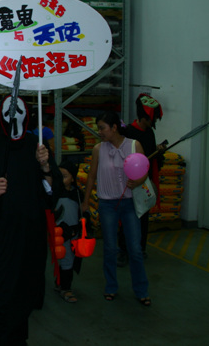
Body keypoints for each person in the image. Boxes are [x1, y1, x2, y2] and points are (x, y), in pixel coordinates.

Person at [0, 95, 55, 346]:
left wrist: (46, 167)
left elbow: (51, 192)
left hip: (31, 236)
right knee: (1, 294)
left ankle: (18, 339)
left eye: (19, 112)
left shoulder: (37, 147)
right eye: (9, 113)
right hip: (3, 236)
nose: (13, 117)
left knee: (26, 292)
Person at [82, 111, 151, 306]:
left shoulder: (134, 145)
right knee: (110, 248)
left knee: (135, 249)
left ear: (114, 128)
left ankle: (141, 290)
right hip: (107, 204)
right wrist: (85, 201)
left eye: (102, 128)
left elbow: (144, 170)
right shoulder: (98, 149)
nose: (99, 132)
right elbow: (91, 175)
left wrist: (138, 181)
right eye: (98, 129)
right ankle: (111, 286)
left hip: (129, 203)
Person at [118, 93, 165, 265]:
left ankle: (141, 247)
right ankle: (123, 250)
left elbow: (151, 157)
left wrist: (158, 152)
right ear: (144, 117)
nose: (154, 122)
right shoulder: (128, 132)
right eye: (152, 119)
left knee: (143, 216)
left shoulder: (150, 133)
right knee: (127, 216)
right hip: (129, 182)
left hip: (145, 181)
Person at [51, 160, 87, 303]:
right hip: (61, 233)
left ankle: (60, 283)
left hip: (75, 232)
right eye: (59, 176)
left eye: (65, 176)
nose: (61, 179)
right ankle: (66, 288)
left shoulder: (77, 193)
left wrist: (83, 222)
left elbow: (82, 211)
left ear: (73, 178)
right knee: (67, 260)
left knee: (70, 259)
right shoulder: (55, 193)